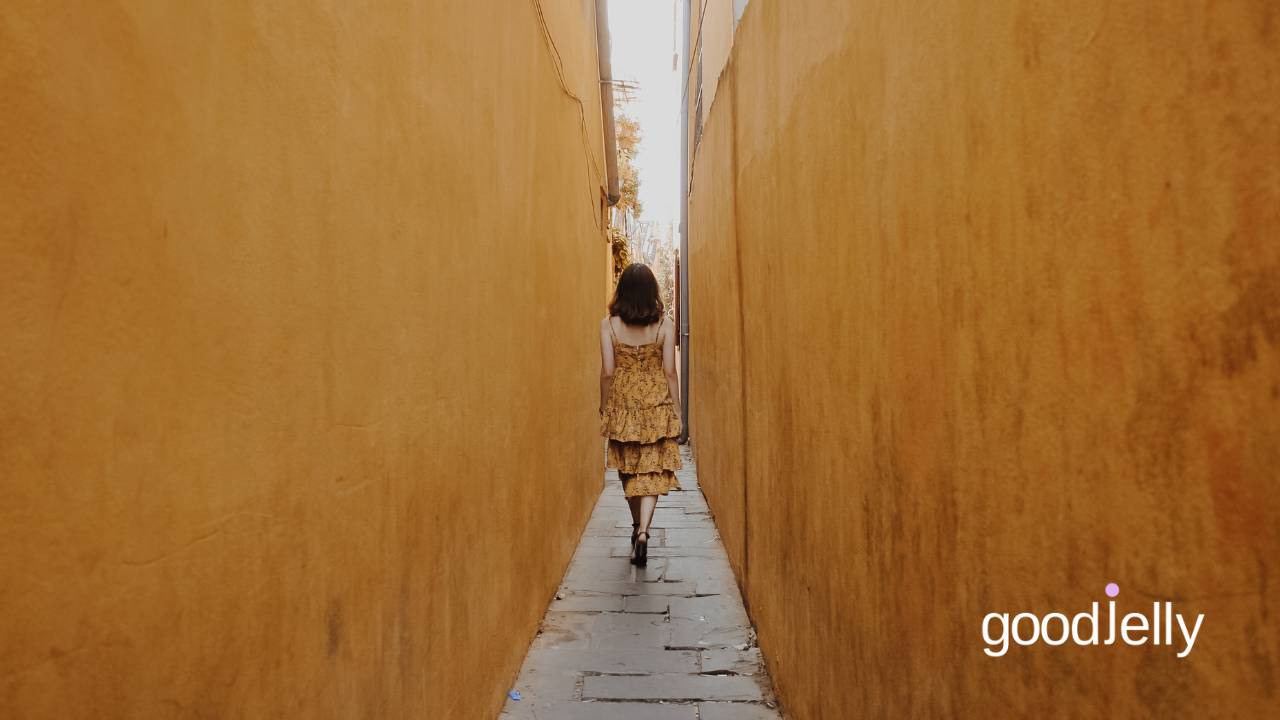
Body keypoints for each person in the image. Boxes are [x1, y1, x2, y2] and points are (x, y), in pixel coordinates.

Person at [599, 264, 682, 567]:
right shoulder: (664, 324)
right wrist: (677, 410)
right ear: (652, 292)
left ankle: (636, 528)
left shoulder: (608, 325)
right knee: (651, 472)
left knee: (629, 469)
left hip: (623, 405)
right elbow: (670, 372)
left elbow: (608, 372)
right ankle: (645, 531)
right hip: (655, 406)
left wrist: (604, 405)